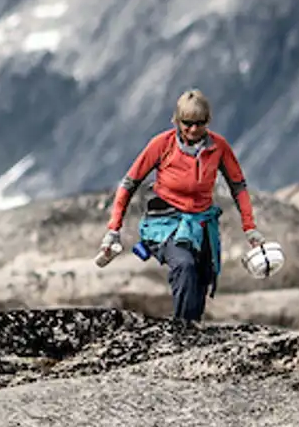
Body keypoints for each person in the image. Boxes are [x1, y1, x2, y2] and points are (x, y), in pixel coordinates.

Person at [95, 89, 269, 323]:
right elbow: (129, 183)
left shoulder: (219, 148)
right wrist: (113, 230)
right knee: (184, 266)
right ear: (177, 121)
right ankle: (182, 333)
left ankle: (190, 328)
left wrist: (250, 228)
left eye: (200, 123)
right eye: (187, 123)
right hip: (164, 224)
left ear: (207, 122)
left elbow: (238, 186)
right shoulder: (162, 145)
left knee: (200, 278)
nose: (193, 130)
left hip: (202, 223)